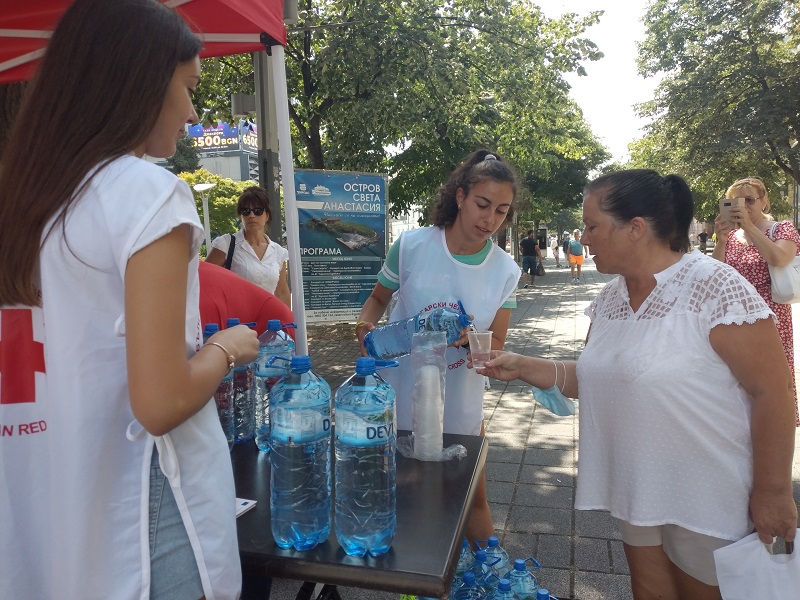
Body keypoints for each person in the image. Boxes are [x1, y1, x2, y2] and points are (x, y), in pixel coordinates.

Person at [0, 1, 259, 598]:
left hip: (66, 518)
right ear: (137, 80)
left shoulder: (34, 200)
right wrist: (225, 346)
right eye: (189, 87)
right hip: (151, 522)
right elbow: (161, 401)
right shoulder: (147, 194)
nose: (193, 113)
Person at [474, 169, 797, 599]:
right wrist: (523, 365)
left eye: (592, 226)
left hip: (708, 495)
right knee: (650, 592)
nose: (584, 238)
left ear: (635, 229)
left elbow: (773, 391)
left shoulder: (715, 287)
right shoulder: (610, 299)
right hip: (639, 487)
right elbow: (601, 376)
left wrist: (774, 492)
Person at [355, 149, 521, 546]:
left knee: (470, 502)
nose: (490, 219)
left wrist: (470, 339)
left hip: (462, 405)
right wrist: (364, 330)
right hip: (402, 399)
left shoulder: (505, 270)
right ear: (460, 196)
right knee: (406, 498)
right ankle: (415, 580)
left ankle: (487, 576)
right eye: (483, 205)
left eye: (501, 211)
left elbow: (496, 345)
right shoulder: (412, 246)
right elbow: (378, 300)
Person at [712, 177, 800, 426]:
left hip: (770, 318)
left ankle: (776, 435)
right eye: (735, 202)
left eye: (749, 200)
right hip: (734, 318)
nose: (743, 206)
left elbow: (779, 258)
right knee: (737, 381)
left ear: (764, 201)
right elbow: (717, 273)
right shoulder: (731, 237)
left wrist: (750, 227)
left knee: (771, 383)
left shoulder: (782, 229)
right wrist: (721, 239)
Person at [206, 185, 291, 308]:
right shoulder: (226, 244)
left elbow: (282, 292)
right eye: (246, 211)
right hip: (235, 321)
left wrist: (288, 325)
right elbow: (205, 280)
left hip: (269, 321)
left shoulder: (279, 252)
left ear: (267, 215)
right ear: (241, 216)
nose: (251, 216)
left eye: (257, 211)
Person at [199, 261, 295, 338]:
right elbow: (212, 278)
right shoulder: (227, 243)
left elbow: (282, 291)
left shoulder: (278, 250)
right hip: (233, 310)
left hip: (271, 315)